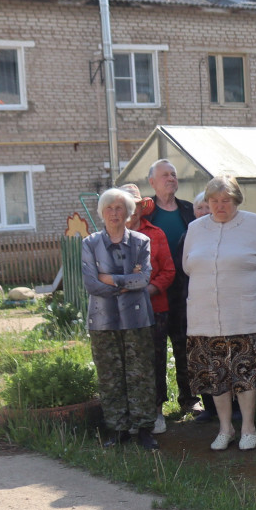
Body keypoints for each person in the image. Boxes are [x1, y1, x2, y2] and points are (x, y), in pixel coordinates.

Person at [182, 174, 256, 451]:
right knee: (217, 376)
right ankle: (225, 428)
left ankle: (248, 427)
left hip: (245, 316)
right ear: (207, 202)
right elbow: (187, 266)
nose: (220, 206)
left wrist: (249, 290)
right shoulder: (195, 228)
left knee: (246, 374)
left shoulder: (255, 224)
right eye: (214, 201)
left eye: (226, 201)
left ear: (236, 201)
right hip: (204, 316)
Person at [83, 188, 159, 450]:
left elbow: (143, 278)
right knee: (109, 375)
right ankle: (117, 429)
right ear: (102, 213)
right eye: (109, 209)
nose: (114, 213)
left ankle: (144, 429)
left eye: (119, 208)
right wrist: (125, 283)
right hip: (102, 321)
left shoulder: (140, 241)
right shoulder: (90, 243)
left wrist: (111, 279)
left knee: (141, 374)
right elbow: (91, 284)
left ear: (129, 213)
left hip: (136, 319)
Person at [145, 159, 202, 422]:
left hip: (185, 291)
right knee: (155, 350)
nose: (171, 178)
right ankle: (156, 404)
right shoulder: (145, 216)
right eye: (165, 175)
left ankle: (189, 399)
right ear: (152, 182)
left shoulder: (189, 211)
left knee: (185, 346)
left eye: (174, 175)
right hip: (154, 292)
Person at [121, 184, 177, 434]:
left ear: (141, 209)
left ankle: (156, 413)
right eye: (125, 207)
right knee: (127, 362)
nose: (130, 212)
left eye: (134, 207)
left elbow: (169, 271)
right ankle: (133, 413)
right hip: (120, 311)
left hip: (154, 308)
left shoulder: (156, 234)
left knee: (154, 360)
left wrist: (150, 289)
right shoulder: (110, 236)